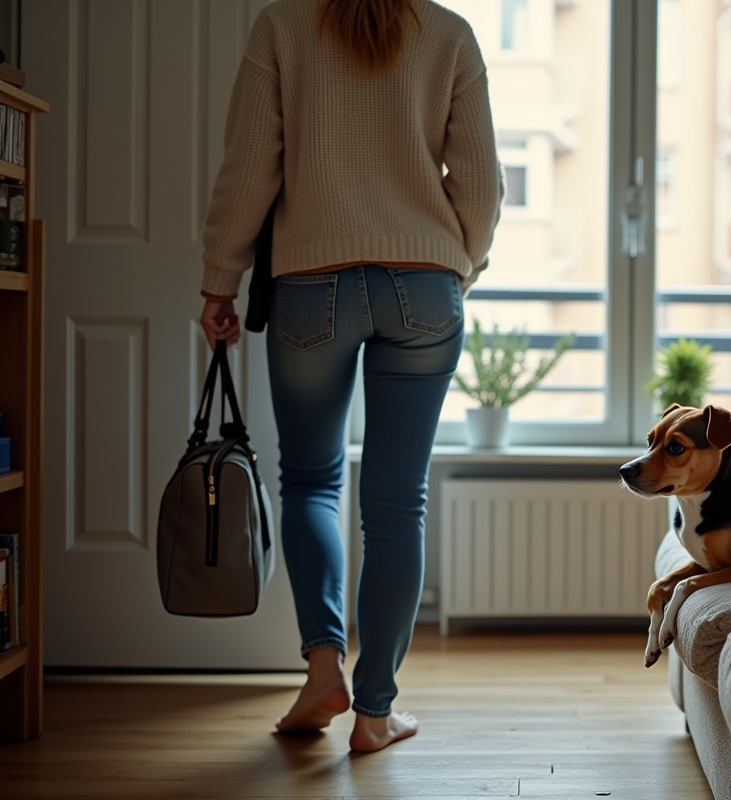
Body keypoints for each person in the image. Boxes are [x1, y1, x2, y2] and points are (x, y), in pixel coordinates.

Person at [198, 0, 503, 753]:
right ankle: (375, 714)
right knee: (397, 504)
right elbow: (483, 184)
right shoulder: (448, 33)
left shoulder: (283, 26)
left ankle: (324, 670)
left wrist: (219, 280)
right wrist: (462, 265)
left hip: (311, 286)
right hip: (425, 285)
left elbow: (248, 167)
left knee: (309, 482)